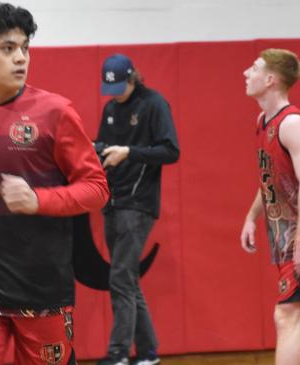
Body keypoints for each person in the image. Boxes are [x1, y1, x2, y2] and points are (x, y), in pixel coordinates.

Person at [0, 3, 109, 364]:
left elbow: (96, 189)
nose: (21, 58)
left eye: (25, 48)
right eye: (7, 49)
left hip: (42, 292)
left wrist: (38, 200)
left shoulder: (56, 113)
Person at [240, 48, 300, 365]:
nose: (246, 73)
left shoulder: (292, 124)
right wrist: (251, 217)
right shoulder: (262, 120)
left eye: (253, 68)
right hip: (288, 235)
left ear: (270, 80)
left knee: (286, 314)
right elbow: (270, 178)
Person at [95, 54, 180, 365]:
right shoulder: (110, 108)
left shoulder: (154, 104)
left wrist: (129, 153)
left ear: (132, 78)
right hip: (113, 201)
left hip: (138, 202)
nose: (115, 93)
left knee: (119, 277)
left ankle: (118, 354)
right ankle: (148, 354)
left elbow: (171, 151)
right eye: (110, 87)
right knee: (128, 279)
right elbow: (103, 146)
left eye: (120, 86)